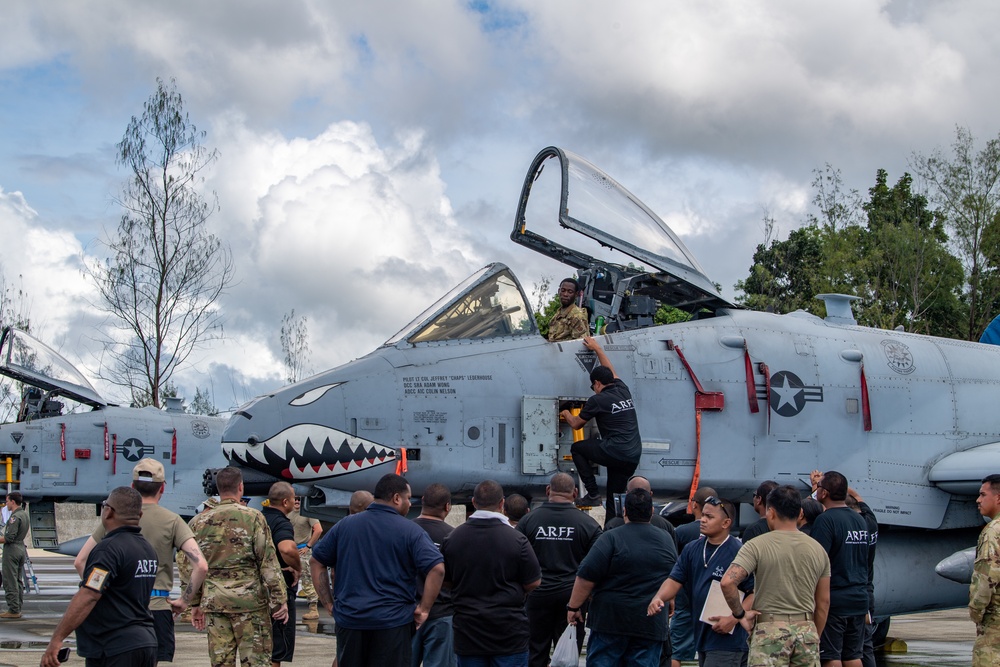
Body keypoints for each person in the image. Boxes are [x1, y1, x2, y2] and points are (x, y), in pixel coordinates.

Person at [72, 458, 208, 662]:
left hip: (119, 612)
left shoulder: (115, 519)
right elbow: (201, 565)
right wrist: (184, 601)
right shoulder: (172, 521)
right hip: (158, 609)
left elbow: (81, 561)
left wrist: (104, 591)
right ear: (162, 488)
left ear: (132, 487)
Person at [311, 473, 444, 667]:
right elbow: (437, 569)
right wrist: (424, 609)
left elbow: (316, 562)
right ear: (396, 498)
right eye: (408, 498)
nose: (409, 504)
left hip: (351, 621)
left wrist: (328, 603)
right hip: (393, 624)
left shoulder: (345, 526)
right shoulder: (411, 531)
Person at [41, 486, 158, 666]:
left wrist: (57, 639)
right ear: (139, 515)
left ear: (109, 512)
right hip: (146, 643)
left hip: (115, 647)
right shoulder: (147, 550)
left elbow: (89, 595)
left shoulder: (108, 549)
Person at [720, 485, 831, 667]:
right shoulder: (818, 549)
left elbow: (727, 583)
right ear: (800, 512)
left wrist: (740, 614)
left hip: (770, 631)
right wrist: (812, 634)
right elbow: (824, 602)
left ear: (770, 512)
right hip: (806, 630)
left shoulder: (756, 545)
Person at [188, 467, 288, 667]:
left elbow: (188, 565)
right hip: (250, 604)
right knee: (256, 662)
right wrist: (280, 599)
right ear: (240, 487)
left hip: (215, 602)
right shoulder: (254, 517)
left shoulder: (198, 522)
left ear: (218, 488)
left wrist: (194, 602)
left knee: (221, 662)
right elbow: (267, 561)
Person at [566, 487, 677, 667]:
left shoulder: (610, 538)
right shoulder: (666, 539)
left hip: (610, 622)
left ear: (624, 511)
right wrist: (670, 599)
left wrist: (573, 607)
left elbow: (585, 576)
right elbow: (673, 575)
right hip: (649, 623)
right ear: (651, 511)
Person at [442, 480, 541, 666]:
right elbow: (533, 582)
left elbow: (445, 580)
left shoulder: (453, 539)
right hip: (509, 632)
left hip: (468, 631)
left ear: (473, 502)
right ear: (502, 503)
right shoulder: (517, 540)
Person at [649, 496, 754, 667]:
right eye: (703, 515)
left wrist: (734, 618)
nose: (703, 520)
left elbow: (754, 593)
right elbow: (674, 579)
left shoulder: (738, 552)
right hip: (702, 635)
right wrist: (659, 597)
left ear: (726, 523)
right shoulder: (692, 549)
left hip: (729, 640)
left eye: (709, 517)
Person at [516, 472, 602, 667]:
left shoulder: (528, 522)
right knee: (568, 657)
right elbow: (597, 565)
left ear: (548, 491)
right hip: (572, 599)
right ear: (575, 493)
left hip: (536, 596)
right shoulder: (589, 525)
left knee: (535, 652)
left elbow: (515, 558)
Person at [561, 335, 642, 520]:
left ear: (597, 383)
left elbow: (576, 424)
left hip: (615, 450)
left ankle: (592, 493)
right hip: (632, 455)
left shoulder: (598, 400)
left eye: (593, 386)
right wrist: (597, 349)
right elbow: (611, 371)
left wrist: (565, 412)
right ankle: (611, 529)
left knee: (578, 449)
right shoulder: (622, 388)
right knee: (614, 500)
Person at [810, 471, 869, 667]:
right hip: (859, 598)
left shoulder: (825, 521)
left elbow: (817, 562)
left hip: (835, 600)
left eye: (818, 488)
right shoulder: (859, 520)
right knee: (853, 655)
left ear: (824, 493)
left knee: (830, 656)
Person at [666, 485, 718, 667]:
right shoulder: (723, 535)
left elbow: (673, 567)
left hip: (685, 602)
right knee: (713, 652)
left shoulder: (681, 532)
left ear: (695, 504)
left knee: (675, 652)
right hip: (713, 604)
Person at [412, 483, 457, 667]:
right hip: (442, 615)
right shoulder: (453, 536)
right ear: (447, 506)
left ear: (422, 501)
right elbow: (456, 578)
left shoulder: (405, 531)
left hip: (407, 613)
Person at [261, 482, 302, 667]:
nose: (296, 501)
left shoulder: (259, 518)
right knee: (276, 650)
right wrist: (297, 567)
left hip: (256, 589)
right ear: (286, 502)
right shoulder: (281, 522)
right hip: (279, 593)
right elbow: (287, 549)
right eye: (294, 498)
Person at [971, 473, 1000, 667]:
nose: (978, 500)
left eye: (983, 494)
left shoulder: (992, 531)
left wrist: (976, 610)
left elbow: (987, 577)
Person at [289, 497, 323, 621]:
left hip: (303, 550)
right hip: (290, 550)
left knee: (307, 580)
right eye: (295, 499)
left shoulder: (307, 513)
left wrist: (308, 546)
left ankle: (313, 609)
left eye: (299, 499)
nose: (297, 502)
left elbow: (318, 530)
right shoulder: (287, 513)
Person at [0, 491, 28, 619]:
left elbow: (8, 538)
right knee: (18, 580)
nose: (6, 504)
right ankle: (17, 606)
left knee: (10, 579)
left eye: (7, 501)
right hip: (21, 548)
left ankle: (13, 609)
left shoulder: (14, 517)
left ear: (13, 501)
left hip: (12, 550)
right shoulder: (24, 514)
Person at [547, 278, 589, 342]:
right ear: (559, 291)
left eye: (570, 292)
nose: (565, 294)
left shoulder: (577, 316)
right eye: (563, 290)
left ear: (576, 294)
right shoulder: (558, 314)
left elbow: (582, 344)